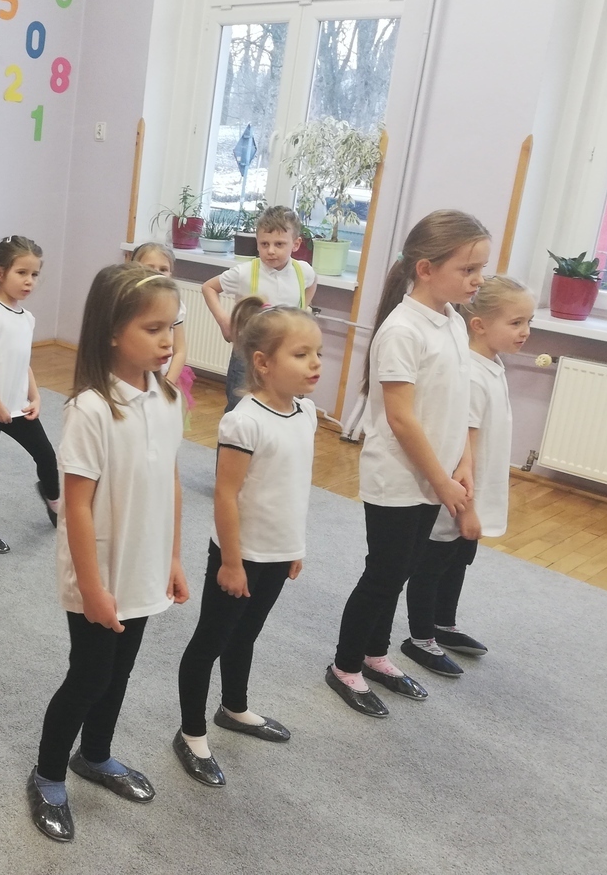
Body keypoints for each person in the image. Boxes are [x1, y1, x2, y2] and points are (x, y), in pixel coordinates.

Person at [27, 263, 190, 843]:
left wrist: (173, 557)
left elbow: (171, 482)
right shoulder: (90, 409)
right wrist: (93, 589)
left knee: (119, 673)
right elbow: (75, 506)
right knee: (90, 675)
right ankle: (48, 774)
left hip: (145, 565)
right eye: (153, 328)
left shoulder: (168, 397)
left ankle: (94, 754)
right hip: (99, 573)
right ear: (114, 332)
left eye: (171, 327)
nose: (168, 340)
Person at [327, 210, 491, 718]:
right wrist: (441, 480)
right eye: (468, 269)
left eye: (481, 269)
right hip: (399, 477)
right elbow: (401, 419)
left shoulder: (454, 322)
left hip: (435, 477)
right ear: (425, 268)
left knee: (402, 571)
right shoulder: (402, 330)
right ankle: (345, 665)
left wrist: (462, 463)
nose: (478, 280)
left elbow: (458, 404)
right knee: (384, 573)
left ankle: (375, 655)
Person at [175, 299, 322, 787]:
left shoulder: (306, 413)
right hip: (239, 555)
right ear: (262, 362)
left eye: (317, 353)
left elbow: (292, 488)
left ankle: (233, 708)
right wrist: (231, 562)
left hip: (278, 552)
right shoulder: (244, 420)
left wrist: (295, 547)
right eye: (301, 354)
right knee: (210, 642)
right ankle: (191, 733)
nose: (315, 363)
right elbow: (226, 493)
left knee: (247, 635)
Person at [403, 276, 534, 675]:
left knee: (457, 560)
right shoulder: (473, 375)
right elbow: (466, 449)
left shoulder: (491, 365)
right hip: (458, 495)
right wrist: (468, 508)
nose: (525, 331)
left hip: (471, 494)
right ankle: (419, 638)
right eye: (516, 322)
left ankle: (444, 624)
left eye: (528, 322)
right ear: (479, 324)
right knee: (433, 563)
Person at [0, 236, 60, 554]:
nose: (29, 281)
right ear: (0, 273)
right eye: (22, 273)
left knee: (46, 456)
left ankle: (54, 501)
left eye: (34, 274)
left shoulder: (27, 318)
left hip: (18, 406)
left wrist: (35, 397)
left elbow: (24, 363)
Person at [202, 206, 318, 411]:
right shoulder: (244, 272)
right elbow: (209, 287)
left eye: (279, 244)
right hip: (247, 355)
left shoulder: (303, 271)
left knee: (280, 404)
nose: (271, 250)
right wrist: (224, 322)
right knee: (240, 405)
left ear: (296, 244)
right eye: (264, 244)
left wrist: (302, 310)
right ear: (257, 243)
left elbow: (313, 282)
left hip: (286, 354)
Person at [130, 242, 195, 413]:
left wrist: (167, 383)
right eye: (149, 267)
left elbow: (180, 350)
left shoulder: (175, 306)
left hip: (163, 376)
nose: (157, 273)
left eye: (163, 269)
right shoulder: (128, 303)